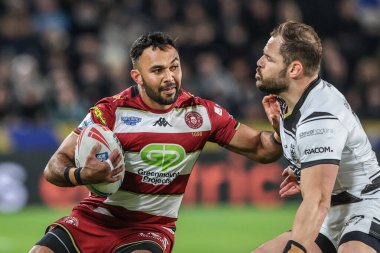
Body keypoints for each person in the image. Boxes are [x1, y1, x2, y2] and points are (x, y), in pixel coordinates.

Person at [29, 31, 283, 253]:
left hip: (151, 228)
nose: (170, 77)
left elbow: (262, 149)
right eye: (158, 70)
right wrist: (82, 175)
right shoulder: (110, 111)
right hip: (96, 217)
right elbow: (54, 166)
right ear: (137, 76)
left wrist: (279, 130)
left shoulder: (202, 114)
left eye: (174, 67)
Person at [252, 20, 380, 253]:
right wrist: (302, 170)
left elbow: (318, 201)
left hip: (366, 204)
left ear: (294, 70)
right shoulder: (292, 102)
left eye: (268, 59)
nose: (259, 63)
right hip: (333, 211)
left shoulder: (321, 116)